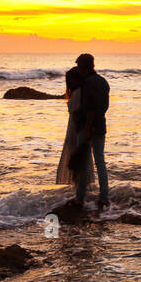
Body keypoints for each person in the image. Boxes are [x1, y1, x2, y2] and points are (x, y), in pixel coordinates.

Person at [71, 53, 110, 209]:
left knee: (83, 163)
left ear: (82, 67)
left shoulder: (87, 84)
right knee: (100, 162)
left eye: (79, 67)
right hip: (101, 125)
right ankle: (104, 197)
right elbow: (104, 106)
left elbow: (90, 108)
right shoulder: (103, 82)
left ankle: (80, 198)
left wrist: (87, 127)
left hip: (88, 127)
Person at [55, 64, 94, 193]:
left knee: (77, 157)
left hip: (75, 128)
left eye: (71, 79)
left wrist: (78, 130)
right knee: (79, 158)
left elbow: (77, 113)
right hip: (75, 127)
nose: (70, 82)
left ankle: (79, 188)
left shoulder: (78, 93)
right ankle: (81, 187)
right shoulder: (80, 91)